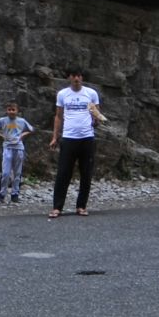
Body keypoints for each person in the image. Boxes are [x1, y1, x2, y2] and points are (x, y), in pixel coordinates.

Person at [47, 70, 106, 218]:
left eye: (79, 76)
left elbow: (96, 114)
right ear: (69, 78)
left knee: (86, 173)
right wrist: (55, 137)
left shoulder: (91, 93)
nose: (76, 79)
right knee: (63, 173)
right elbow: (59, 117)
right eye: (73, 76)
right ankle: (57, 207)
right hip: (68, 137)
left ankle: (81, 206)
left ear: (82, 78)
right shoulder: (62, 94)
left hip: (87, 137)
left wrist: (97, 120)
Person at [0, 103, 34, 203]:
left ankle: (15, 194)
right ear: (6, 110)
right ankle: (1, 194)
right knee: (5, 173)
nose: (11, 112)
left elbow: (32, 129)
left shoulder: (22, 121)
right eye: (9, 109)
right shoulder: (2, 120)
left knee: (17, 172)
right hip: (7, 147)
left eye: (13, 110)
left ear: (17, 111)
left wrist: (23, 134)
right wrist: (1, 135)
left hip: (19, 147)